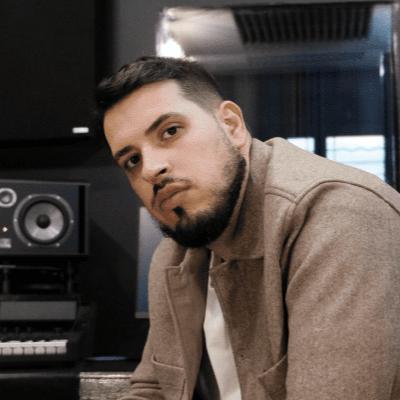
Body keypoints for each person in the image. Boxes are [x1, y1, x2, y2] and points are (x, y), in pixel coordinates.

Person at [96, 56, 400, 400]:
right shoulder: (174, 254)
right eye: (132, 160)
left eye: (170, 131)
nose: (151, 169)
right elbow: (153, 388)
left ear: (231, 125)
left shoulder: (339, 216)